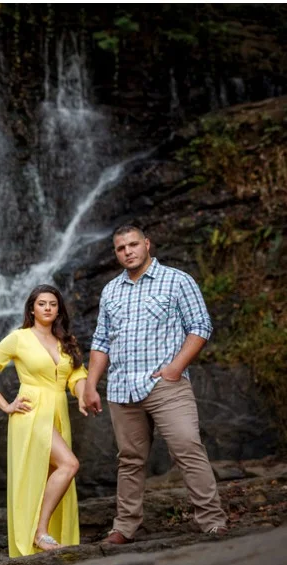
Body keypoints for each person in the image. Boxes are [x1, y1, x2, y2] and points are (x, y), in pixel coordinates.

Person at [82, 223, 228, 543]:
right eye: (121, 248)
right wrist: (91, 385)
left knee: (187, 447)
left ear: (147, 244)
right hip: (121, 388)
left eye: (133, 244)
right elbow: (101, 341)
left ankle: (213, 520)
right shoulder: (111, 291)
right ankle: (124, 527)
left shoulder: (177, 280)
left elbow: (200, 326)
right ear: (116, 253)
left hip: (165, 384)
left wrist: (175, 368)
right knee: (130, 460)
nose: (128, 252)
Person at [0, 286, 88, 557]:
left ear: (59, 309)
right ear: (32, 309)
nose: (47, 308)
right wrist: (6, 405)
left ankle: (45, 534)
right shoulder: (18, 338)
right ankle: (39, 532)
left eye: (52, 303)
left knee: (51, 472)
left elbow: (76, 376)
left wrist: (83, 398)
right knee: (69, 464)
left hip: (59, 410)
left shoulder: (66, 341)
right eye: (41, 303)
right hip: (32, 412)